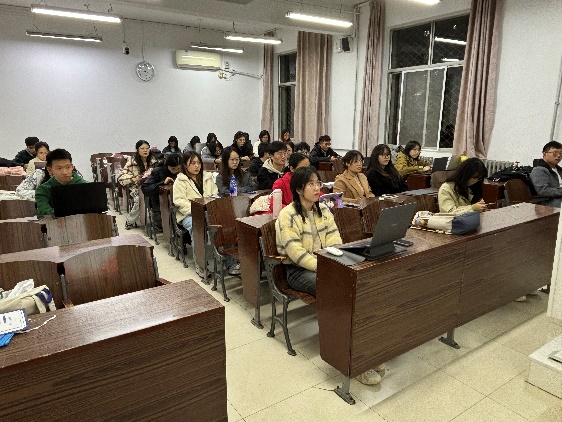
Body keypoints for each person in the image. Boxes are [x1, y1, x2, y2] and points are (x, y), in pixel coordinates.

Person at [173, 151, 222, 276]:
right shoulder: (180, 180)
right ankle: (201, 265)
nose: (197, 166)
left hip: (208, 212)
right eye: (193, 163)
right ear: (185, 165)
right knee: (197, 228)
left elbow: (215, 194)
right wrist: (196, 210)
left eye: (199, 163)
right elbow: (179, 201)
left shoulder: (207, 177)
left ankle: (228, 262)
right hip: (188, 214)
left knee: (224, 224)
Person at [35, 149, 88, 218]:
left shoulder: (86, 186)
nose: (64, 172)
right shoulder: (43, 190)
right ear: (50, 170)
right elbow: (44, 212)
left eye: (68, 167)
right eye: (59, 168)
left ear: (72, 167)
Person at [118, 140, 158, 229]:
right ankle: (130, 221)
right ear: (137, 150)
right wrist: (134, 178)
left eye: (147, 148)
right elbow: (121, 177)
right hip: (137, 187)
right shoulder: (132, 162)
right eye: (142, 148)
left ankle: (158, 223)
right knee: (138, 200)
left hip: (151, 186)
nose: (145, 150)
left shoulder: (154, 161)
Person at [141, 153, 182, 231]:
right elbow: (146, 188)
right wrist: (162, 183)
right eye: (173, 168)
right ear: (167, 165)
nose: (176, 171)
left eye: (179, 168)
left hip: (178, 201)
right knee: (167, 226)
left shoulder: (181, 172)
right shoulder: (157, 171)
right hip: (159, 204)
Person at [530, 141, 562, 207]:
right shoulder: (539, 170)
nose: (559, 155)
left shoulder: (559, 170)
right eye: (555, 153)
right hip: (549, 203)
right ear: (544, 154)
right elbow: (543, 191)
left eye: (561, 153)